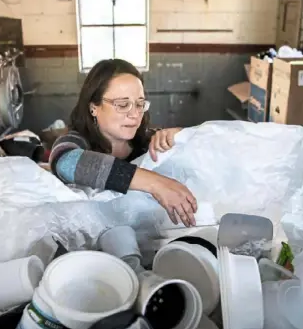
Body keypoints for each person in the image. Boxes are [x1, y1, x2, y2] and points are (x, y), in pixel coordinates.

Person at [49, 59, 197, 227]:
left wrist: (182, 137)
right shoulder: (77, 141)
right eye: (123, 104)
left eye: (140, 104)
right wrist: (157, 183)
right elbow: (64, 161)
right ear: (94, 107)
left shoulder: (149, 143)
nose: (134, 114)